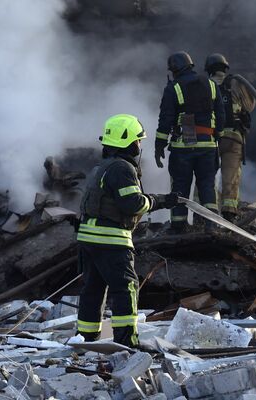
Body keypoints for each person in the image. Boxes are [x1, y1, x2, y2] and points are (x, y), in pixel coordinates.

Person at [76, 114, 178, 347]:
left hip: (88, 238)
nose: (139, 146)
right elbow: (133, 203)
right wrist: (159, 201)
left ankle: (85, 339)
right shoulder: (122, 169)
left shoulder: (101, 168)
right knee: (126, 288)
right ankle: (126, 341)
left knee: (93, 289)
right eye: (138, 141)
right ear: (129, 142)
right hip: (111, 239)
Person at [155, 51, 225, 232]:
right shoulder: (211, 84)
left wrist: (159, 145)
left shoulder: (173, 88)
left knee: (180, 186)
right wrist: (217, 134)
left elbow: (165, 119)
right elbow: (221, 113)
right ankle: (211, 225)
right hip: (208, 146)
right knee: (207, 186)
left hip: (183, 147)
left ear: (175, 69)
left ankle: (178, 225)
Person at [204, 53, 256, 222]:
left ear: (208, 70)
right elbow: (249, 106)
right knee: (231, 176)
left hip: (210, 137)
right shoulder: (236, 83)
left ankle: (203, 212)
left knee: (206, 175)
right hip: (233, 138)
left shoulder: (205, 85)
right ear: (225, 68)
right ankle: (229, 214)